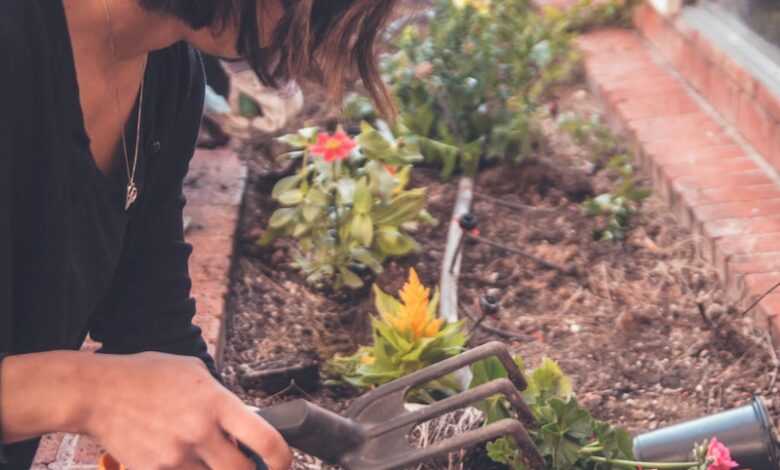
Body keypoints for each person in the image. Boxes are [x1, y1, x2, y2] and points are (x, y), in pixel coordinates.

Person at [0, 1, 396, 469]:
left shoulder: (167, 75)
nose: (304, 33)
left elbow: (149, 323)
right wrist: (89, 391)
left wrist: (218, 428)